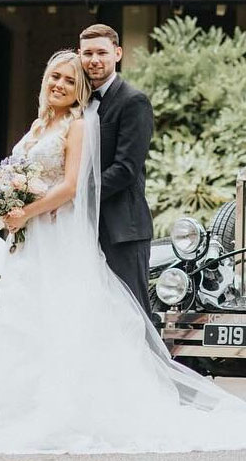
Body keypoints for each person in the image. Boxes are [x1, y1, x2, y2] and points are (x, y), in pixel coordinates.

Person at [0, 50, 246, 453]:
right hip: (29, 241)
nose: (59, 85)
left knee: (61, 318)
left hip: (53, 237)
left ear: (80, 91)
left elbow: (72, 186)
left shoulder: (78, 126)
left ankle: (62, 407)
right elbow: (21, 176)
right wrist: (4, 204)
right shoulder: (39, 125)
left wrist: (27, 211)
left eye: (70, 82)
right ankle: (12, 405)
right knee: (21, 316)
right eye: (55, 76)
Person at [79, 24, 153, 315]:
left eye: (101, 52)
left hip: (123, 228)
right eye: (87, 53)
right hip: (83, 230)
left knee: (132, 312)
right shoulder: (77, 102)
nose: (94, 60)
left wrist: (76, 197)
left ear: (117, 53)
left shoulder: (133, 101)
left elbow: (125, 169)